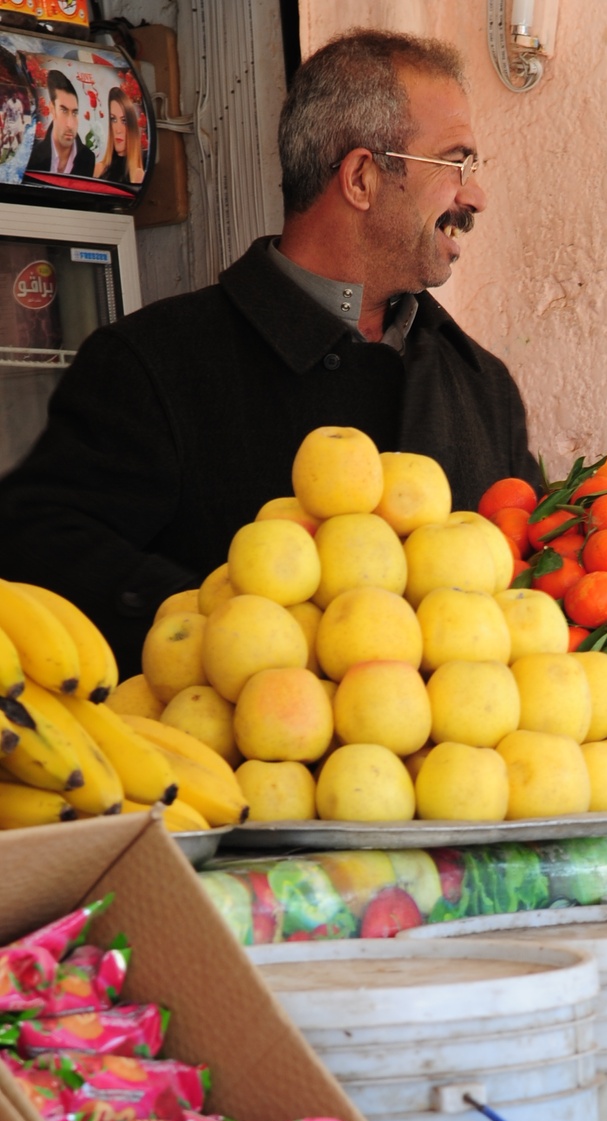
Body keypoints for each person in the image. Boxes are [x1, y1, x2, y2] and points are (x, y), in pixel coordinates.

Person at [0, 30, 540, 676]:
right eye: (456, 164)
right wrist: (229, 628)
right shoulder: (150, 367)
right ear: (363, 178)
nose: (474, 195)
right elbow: (33, 544)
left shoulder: (485, 390)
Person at [26, 70, 95, 177]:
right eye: (64, 111)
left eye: (74, 112)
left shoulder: (88, 158)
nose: (70, 124)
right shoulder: (31, 154)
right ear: (52, 109)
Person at [94, 86, 144, 185]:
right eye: (113, 119)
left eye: (124, 121)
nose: (118, 129)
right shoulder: (98, 169)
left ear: (132, 126)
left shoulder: (138, 176)